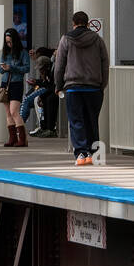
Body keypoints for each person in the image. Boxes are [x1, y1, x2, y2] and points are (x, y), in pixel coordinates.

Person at [53, 11, 109, 166]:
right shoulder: (97, 39)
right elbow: (105, 63)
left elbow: (59, 66)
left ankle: (81, 154)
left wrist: (58, 86)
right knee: (92, 120)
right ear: (88, 23)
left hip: (73, 87)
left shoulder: (66, 40)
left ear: (73, 23)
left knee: (76, 120)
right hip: (94, 88)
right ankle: (93, 153)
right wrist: (102, 84)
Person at [0, 28, 30, 147]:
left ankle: (22, 138)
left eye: (10, 42)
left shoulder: (23, 53)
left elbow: (26, 68)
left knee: (14, 111)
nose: (9, 44)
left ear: (15, 41)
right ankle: (12, 138)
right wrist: (3, 67)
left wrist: (11, 67)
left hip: (16, 84)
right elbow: (0, 70)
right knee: (8, 113)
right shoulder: (5, 53)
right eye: (7, 42)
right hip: (5, 83)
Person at [22, 46, 53, 136]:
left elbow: (48, 84)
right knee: (28, 98)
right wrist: (37, 81)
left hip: (46, 89)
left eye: (37, 55)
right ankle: (40, 125)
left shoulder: (50, 68)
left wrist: (39, 81)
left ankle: (20, 124)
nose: (35, 57)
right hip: (44, 87)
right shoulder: (47, 65)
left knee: (29, 99)